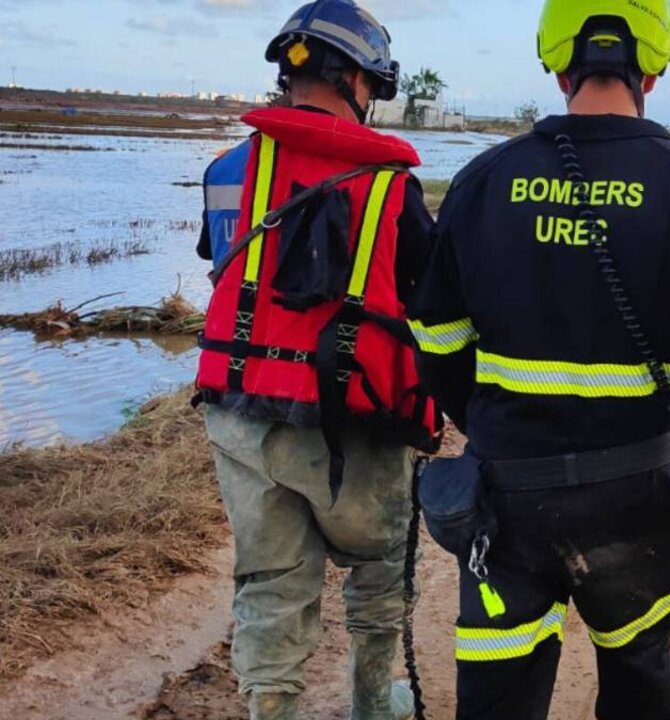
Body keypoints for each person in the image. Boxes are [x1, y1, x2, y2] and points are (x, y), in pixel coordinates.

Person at [414, 1, 670, 718]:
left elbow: (437, 344)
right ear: (655, 64)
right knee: (639, 677)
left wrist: (493, 426)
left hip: (507, 506)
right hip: (639, 503)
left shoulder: (483, 182)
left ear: (556, 64)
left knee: (498, 694)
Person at [194, 1, 441, 718]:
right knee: (378, 578)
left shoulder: (225, 169)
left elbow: (221, 259)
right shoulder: (394, 186)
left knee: (270, 582)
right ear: (363, 82)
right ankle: (372, 705)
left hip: (239, 416)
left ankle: (271, 709)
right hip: (354, 423)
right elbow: (424, 299)